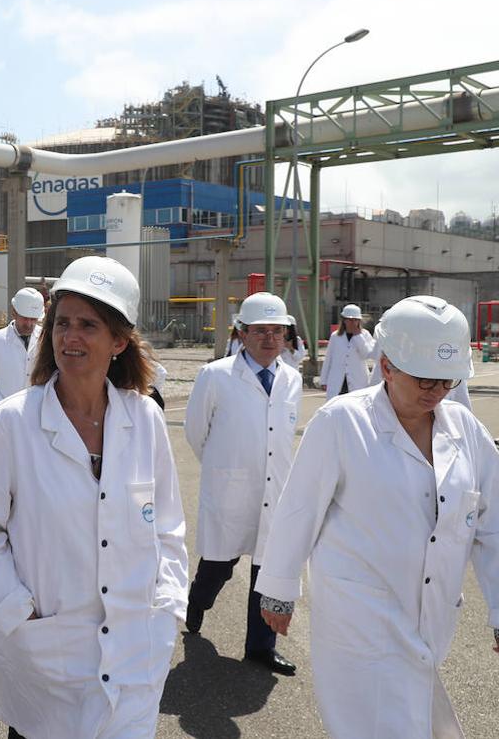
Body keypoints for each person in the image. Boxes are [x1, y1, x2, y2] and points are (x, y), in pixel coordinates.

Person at [0, 255, 188, 739]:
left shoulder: (145, 419)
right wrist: (21, 614)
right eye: (62, 323)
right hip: (44, 660)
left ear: (119, 341)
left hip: (133, 653)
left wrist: (167, 612)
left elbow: (168, 530)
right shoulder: (9, 425)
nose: (70, 337)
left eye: (88, 325)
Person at [257, 296, 499, 738]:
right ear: (387, 366)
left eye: (447, 381)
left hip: (430, 614)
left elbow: (493, 526)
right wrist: (278, 589)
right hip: (359, 614)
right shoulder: (342, 422)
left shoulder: (466, 431)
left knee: (412, 711)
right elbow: (298, 509)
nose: (436, 392)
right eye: (424, 379)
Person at [183, 291, 301, 675]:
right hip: (229, 489)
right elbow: (195, 432)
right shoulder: (216, 375)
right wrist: (224, 467)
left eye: (277, 331)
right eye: (260, 331)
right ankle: (198, 601)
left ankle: (260, 648)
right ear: (242, 333)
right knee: (220, 563)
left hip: (275, 490)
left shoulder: (292, 379)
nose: (270, 338)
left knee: (267, 569)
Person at [0, 288, 44, 407]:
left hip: (37, 410)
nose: (29, 324)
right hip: (5, 413)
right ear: (14, 312)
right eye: (25, 318)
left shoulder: (45, 339)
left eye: (33, 319)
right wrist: (0, 405)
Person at [368, 336, 472, 409]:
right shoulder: (353, 423)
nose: (439, 391)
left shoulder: (461, 419)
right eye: (427, 380)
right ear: (387, 369)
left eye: (447, 380)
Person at [319, 303, 374, 398]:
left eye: (355, 320)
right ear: (344, 320)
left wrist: (358, 337)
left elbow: (367, 354)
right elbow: (328, 359)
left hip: (357, 380)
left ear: (359, 321)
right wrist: (324, 380)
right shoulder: (335, 336)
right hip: (337, 380)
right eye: (349, 320)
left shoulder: (365, 335)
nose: (352, 323)